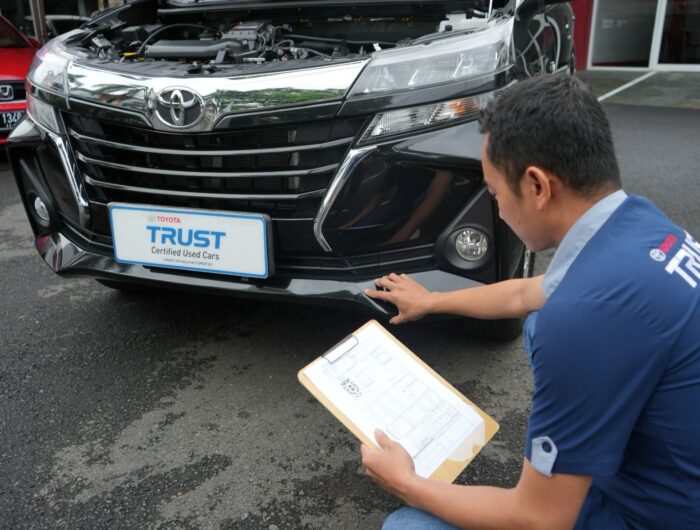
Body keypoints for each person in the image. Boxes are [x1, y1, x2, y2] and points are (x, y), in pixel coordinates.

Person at [360, 74, 700, 529]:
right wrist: (432, 301)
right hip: (675, 470)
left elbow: (539, 519)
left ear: (538, 186)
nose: (499, 209)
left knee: (408, 525)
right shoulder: (640, 225)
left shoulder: (585, 318)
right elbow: (526, 292)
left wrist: (406, 482)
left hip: (660, 516)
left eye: (495, 193)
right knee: (543, 319)